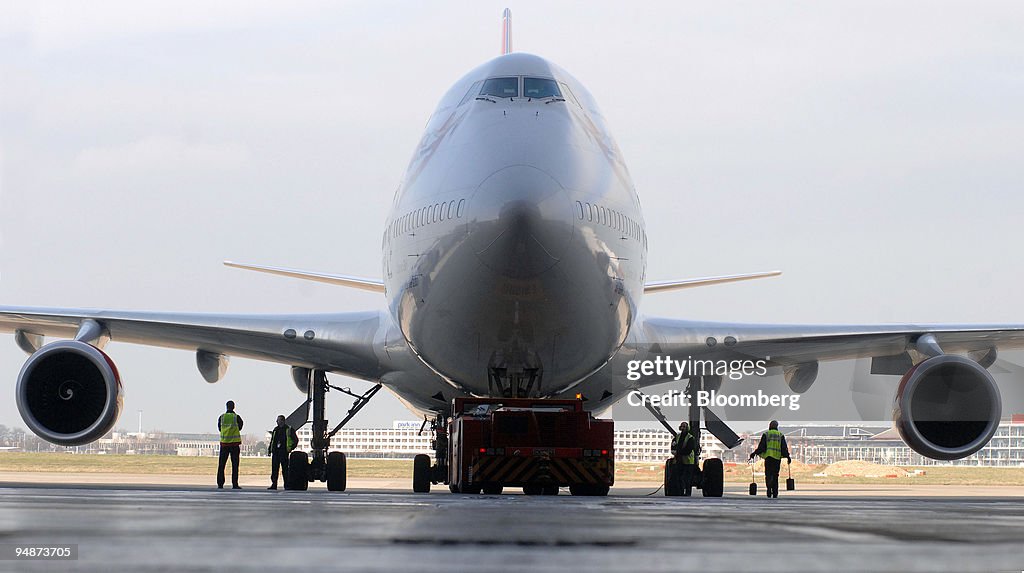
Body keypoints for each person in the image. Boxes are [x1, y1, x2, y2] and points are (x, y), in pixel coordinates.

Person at [749, 420, 791, 498]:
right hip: (777, 459)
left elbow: (762, 447)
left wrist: (754, 453)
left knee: (768, 475)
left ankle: (768, 488)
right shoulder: (780, 435)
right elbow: (784, 448)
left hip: (768, 458)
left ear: (770, 426)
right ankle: (775, 492)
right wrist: (788, 457)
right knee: (775, 475)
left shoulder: (766, 434)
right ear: (776, 426)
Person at [217, 400, 244, 489]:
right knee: (235, 465)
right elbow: (240, 427)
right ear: (234, 407)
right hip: (234, 445)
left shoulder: (222, 417)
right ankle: (235, 484)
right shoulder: (236, 417)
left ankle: (220, 483)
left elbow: (220, 428)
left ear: (226, 406)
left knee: (221, 465)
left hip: (224, 444)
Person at [267, 415, 298, 490]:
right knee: (274, 469)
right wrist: (270, 449)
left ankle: (286, 485)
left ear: (282, 421)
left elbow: (295, 440)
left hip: (284, 452)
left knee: (285, 469)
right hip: (276, 452)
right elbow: (273, 440)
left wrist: (291, 448)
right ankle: (274, 484)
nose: (277, 422)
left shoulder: (289, 429)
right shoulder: (275, 429)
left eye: (278, 420)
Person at [672, 421, 697, 496]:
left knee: (687, 478)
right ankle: (680, 492)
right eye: (681, 426)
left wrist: (679, 453)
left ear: (687, 428)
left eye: (684, 427)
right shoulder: (677, 436)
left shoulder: (690, 438)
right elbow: (673, 445)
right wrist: (675, 453)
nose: (682, 428)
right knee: (679, 478)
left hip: (688, 462)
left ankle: (688, 492)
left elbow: (689, 449)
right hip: (679, 461)